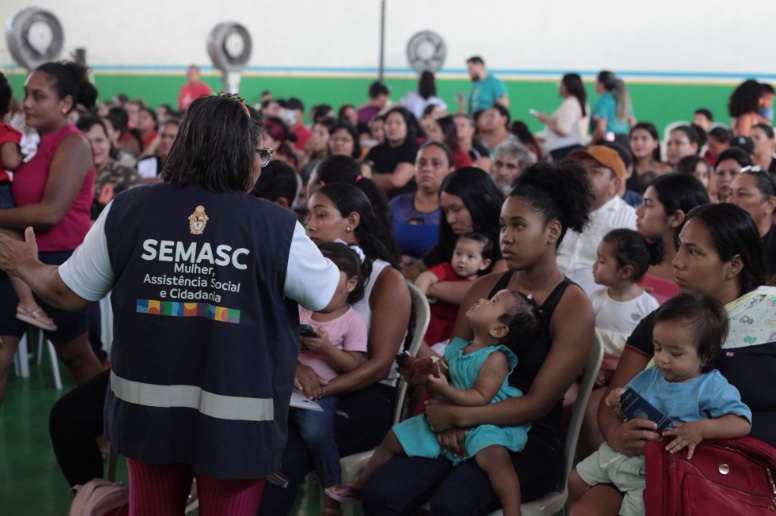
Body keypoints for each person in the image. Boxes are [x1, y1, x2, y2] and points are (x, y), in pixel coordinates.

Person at [0, 94, 342, 513]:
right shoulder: (275, 227)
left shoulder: (127, 210)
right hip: (238, 420)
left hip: (148, 412)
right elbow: (325, 295)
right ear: (242, 155)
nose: (261, 165)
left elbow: (68, 292)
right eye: (262, 155)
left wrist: (25, 265)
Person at [358, 160, 595, 515]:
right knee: (380, 494)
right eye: (502, 226)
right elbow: (453, 364)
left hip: (524, 435)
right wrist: (442, 402)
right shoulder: (484, 288)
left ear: (552, 231)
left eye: (518, 226)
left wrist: (460, 417)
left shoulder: (573, 307)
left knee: (453, 505)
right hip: (460, 412)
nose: (506, 238)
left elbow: (538, 404)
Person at [569, 203, 772, 516]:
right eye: (679, 248)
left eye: (693, 252)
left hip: (747, 476)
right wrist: (617, 435)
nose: (677, 262)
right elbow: (617, 399)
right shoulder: (663, 322)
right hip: (650, 465)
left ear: (733, 265)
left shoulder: (770, 318)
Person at [258, 182, 412, 515]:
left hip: (366, 394)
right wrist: (297, 370)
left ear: (351, 221)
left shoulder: (387, 280)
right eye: (308, 215)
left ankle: (329, 501)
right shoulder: (305, 271)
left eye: (320, 215)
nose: (309, 225)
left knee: (289, 452)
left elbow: (381, 365)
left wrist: (322, 389)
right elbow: (279, 334)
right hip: (304, 387)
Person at [327, 289, 540, 516]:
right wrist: (422, 371)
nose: (481, 300)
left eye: (492, 302)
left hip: (483, 420)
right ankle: (359, 486)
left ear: (498, 329)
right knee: (395, 436)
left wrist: (444, 389)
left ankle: (512, 510)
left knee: (496, 459)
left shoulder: (495, 358)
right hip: (450, 409)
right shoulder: (459, 347)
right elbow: (445, 371)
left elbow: (480, 397)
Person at [569, 292, 752, 516]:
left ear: (705, 355)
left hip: (659, 469)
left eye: (675, 353)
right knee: (575, 479)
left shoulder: (711, 386)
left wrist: (702, 428)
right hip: (621, 454)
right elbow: (628, 398)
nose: (662, 358)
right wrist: (618, 399)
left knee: (633, 510)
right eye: (657, 348)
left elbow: (741, 422)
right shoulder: (653, 374)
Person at [0, 60, 104, 407]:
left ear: (65, 103)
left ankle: (104, 432)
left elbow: (50, 212)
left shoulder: (72, 145)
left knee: (77, 357)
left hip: (58, 264)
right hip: (19, 263)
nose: (27, 103)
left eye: (38, 96)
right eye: (25, 94)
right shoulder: (34, 143)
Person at [282, 242, 368, 513]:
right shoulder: (300, 309)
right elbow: (279, 344)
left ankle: (332, 489)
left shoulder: (352, 321)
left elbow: (352, 364)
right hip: (287, 385)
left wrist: (327, 348)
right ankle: (264, 469)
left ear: (351, 283)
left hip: (319, 392)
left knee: (317, 433)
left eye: (330, 280)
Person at [0, 72, 58, 332]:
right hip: (2, 192)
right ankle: (28, 304)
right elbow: (11, 162)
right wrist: (23, 158)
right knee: (15, 251)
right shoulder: (7, 131)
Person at [403, 168, 506, 289]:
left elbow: (492, 290)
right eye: (446, 211)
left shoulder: (506, 237)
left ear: (483, 202)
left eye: (457, 209)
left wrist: (429, 286)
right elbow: (413, 273)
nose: (450, 219)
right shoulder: (454, 236)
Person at [559, 146, 637, 295]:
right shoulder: (563, 209)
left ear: (615, 184)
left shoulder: (628, 220)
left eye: (595, 171)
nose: (584, 176)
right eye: (581, 170)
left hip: (593, 306)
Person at [590, 229, 660, 387]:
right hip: (591, 375)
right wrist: (587, 367)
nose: (593, 265)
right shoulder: (595, 299)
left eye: (601, 261)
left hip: (627, 382)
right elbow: (582, 340)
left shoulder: (648, 306)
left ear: (626, 271)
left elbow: (651, 352)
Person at [415, 233, 494, 351]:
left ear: (484, 263)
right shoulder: (445, 269)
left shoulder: (481, 283)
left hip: (454, 331)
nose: (462, 260)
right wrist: (417, 307)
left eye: (470, 256)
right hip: (431, 323)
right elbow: (425, 277)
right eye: (458, 253)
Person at [634, 173, 709, 297]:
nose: (638, 211)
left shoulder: (701, 275)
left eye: (648, 204)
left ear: (676, 218)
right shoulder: (633, 256)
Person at [390, 141, 453, 263]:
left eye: (436, 164)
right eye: (421, 163)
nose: (427, 169)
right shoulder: (396, 204)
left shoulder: (454, 210)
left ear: (450, 171)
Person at [75, 116, 144, 220]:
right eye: (87, 141)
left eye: (99, 140)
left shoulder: (126, 175)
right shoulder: (69, 176)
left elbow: (137, 218)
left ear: (109, 142)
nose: (93, 147)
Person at [728, 167, 776, 277]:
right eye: (730, 193)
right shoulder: (719, 239)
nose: (731, 201)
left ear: (770, 204)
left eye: (742, 194)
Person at [366, 106, 420, 198]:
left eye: (398, 123)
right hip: (376, 201)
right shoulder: (376, 150)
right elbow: (361, 176)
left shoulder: (414, 150)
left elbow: (397, 181)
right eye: (388, 123)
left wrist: (370, 177)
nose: (392, 127)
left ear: (407, 127)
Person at [534, 73, 589, 160]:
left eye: (561, 85)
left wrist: (546, 120)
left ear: (567, 87)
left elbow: (564, 131)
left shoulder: (570, 104)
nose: (560, 88)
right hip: (573, 147)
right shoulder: (580, 103)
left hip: (564, 150)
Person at [590, 71, 634, 146]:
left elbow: (601, 128)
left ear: (601, 84)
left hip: (609, 143)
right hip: (625, 142)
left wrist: (592, 143)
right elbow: (633, 123)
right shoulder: (622, 100)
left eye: (596, 81)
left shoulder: (603, 101)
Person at [628, 122, 671, 194]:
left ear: (655, 143)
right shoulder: (624, 170)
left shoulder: (665, 171)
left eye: (644, 138)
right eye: (635, 139)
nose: (638, 143)